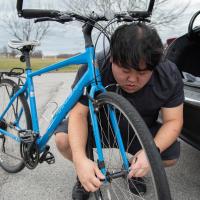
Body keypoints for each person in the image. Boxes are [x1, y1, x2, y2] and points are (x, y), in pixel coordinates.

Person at [54, 22, 184, 199]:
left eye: (143, 73)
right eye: (125, 71)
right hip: (99, 127)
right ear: (111, 59)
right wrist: (79, 160)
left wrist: (150, 152)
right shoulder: (94, 67)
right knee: (64, 140)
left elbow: (173, 120)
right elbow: (78, 114)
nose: (132, 79)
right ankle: (87, 174)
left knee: (170, 156)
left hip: (139, 129)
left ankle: (133, 168)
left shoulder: (168, 74)